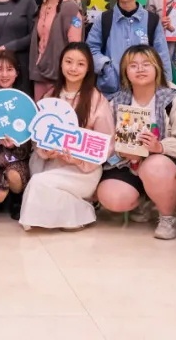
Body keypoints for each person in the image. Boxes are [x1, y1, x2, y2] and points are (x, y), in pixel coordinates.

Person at [96, 45, 176, 240]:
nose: (140, 69)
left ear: (157, 68)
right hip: (127, 165)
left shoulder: (173, 102)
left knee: (154, 165)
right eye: (133, 65)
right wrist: (120, 151)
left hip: (167, 166)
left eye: (146, 64)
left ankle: (167, 217)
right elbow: (105, 142)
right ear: (125, 71)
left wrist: (160, 147)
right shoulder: (116, 103)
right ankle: (143, 200)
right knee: (112, 197)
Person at [18, 43, 113, 231]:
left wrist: (78, 159)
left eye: (80, 64)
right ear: (61, 64)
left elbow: (106, 143)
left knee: (39, 183)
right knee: (41, 179)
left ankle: (80, 212)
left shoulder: (97, 100)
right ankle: (78, 213)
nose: (73, 68)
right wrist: (46, 152)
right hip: (51, 163)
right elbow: (38, 137)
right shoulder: (50, 96)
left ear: (88, 68)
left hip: (82, 170)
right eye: (68, 62)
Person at [88, 0, 172, 97]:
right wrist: (105, 66)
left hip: (145, 92)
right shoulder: (104, 19)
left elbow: (162, 55)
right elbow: (91, 48)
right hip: (111, 91)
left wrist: (165, 86)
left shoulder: (152, 20)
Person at [0, 49, 32, 220]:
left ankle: (18, 199)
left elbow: (30, 140)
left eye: (9, 69)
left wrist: (15, 147)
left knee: (14, 176)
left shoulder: (25, 101)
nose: (4, 74)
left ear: (17, 73)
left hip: (18, 160)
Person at [29, 0, 84, 100]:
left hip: (61, 76)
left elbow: (75, 47)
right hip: (39, 73)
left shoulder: (70, 8)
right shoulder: (41, 5)